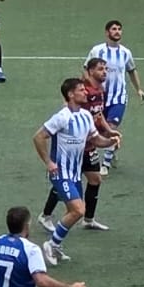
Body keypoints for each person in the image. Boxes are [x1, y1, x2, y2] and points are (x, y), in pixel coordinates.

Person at [39, 57, 122, 233]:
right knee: (66, 186)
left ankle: (88, 219)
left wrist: (109, 134)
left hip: (89, 146)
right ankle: (46, 216)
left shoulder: (100, 91)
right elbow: (65, 116)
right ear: (90, 71)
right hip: (73, 150)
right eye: (100, 69)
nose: (105, 72)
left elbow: (98, 116)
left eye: (105, 69)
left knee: (95, 180)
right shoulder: (77, 97)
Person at [32, 77, 98, 266]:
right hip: (60, 173)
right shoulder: (62, 116)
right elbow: (38, 137)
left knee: (72, 212)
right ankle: (51, 244)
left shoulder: (85, 116)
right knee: (79, 210)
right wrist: (48, 162)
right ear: (70, 94)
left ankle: (56, 244)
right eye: (81, 90)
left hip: (75, 174)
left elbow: (95, 139)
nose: (86, 92)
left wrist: (110, 141)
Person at [86, 19, 144, 170]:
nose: (117, 31)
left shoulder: (126, 52)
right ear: (107, 32)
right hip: (100, 98)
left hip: (118, 97)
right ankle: (112, 150)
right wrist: (88, 88)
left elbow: (132, 70)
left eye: (119, 29)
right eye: (114, 29)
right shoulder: (97, 50)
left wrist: (139, 89)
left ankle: (104, 164)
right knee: (100, 130)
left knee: (112, 126)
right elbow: (86, 69)